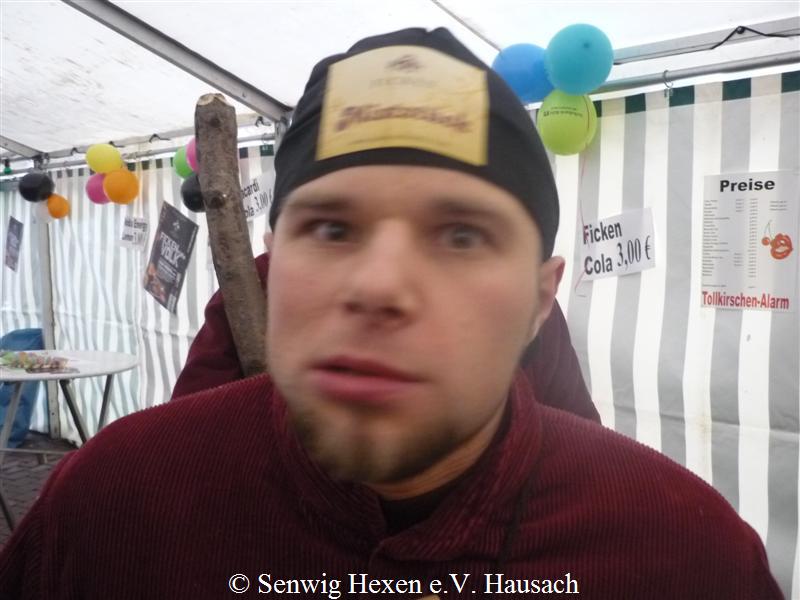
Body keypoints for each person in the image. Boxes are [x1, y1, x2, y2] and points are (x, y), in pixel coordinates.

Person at [0, 27, 781, 599]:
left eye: (462, 235)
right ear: (273, 264)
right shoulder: (115, 511)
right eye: (331, 228)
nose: (380, 286)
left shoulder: (685, 557)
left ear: (541, 300)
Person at [172, 252, 601, 422]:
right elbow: (188, 438)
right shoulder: (262, 286)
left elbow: (580, 444)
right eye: (336, 229)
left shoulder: (513, 295)